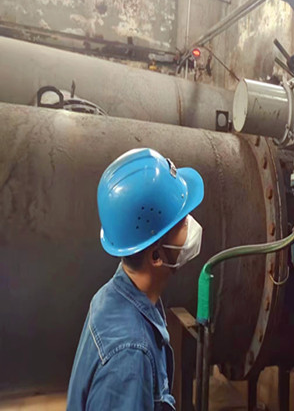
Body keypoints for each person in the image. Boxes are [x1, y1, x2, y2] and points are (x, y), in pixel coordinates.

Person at [67, 148, 204, 411]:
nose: (192, 225)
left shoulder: (112, 296)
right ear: (156, 256)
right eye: (182, 222)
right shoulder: (129, 357)